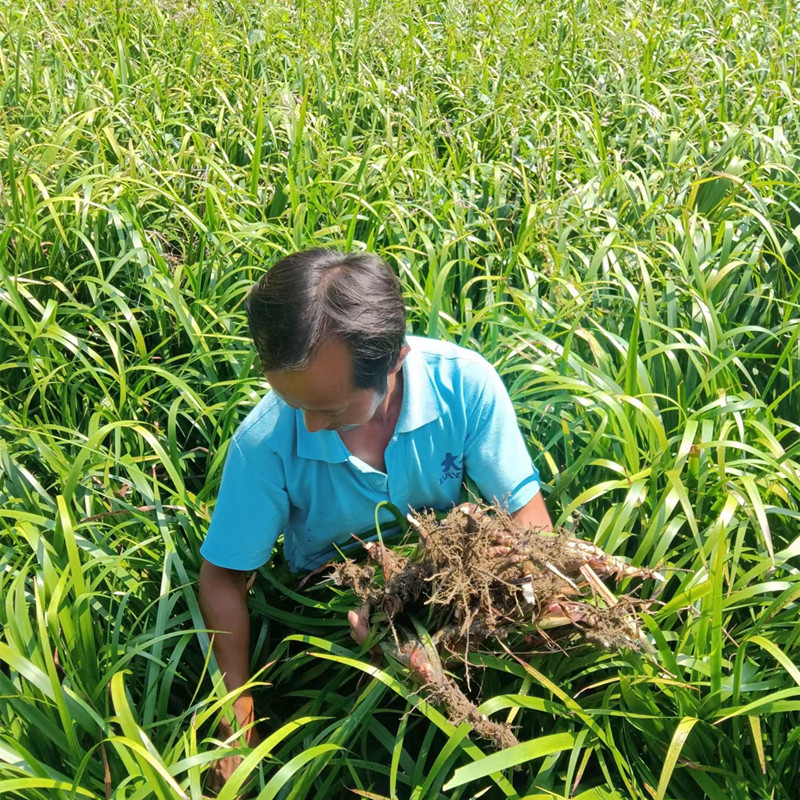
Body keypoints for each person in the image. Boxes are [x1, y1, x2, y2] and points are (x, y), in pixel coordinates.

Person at [198, 248, 552, 789]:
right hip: (330, 589)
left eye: (333, 410)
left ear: (395, 362)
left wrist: (495, 585)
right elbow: (223, 576)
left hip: (444, 560)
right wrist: (235, 713)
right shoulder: (266, 441)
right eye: (294, 403)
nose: (311, 426)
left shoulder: (465, 386)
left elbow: (530, 521)